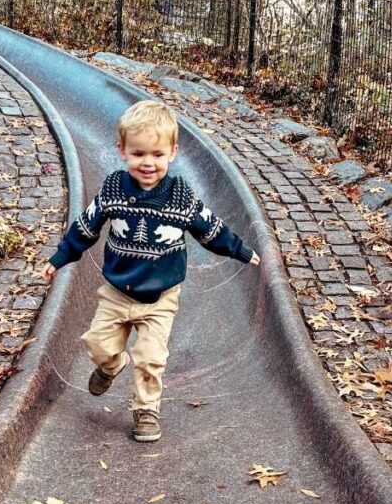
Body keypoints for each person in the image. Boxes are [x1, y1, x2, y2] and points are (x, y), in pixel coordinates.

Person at [41, 101, 260, 443]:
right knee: (98, 344)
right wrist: (59, 259)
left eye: (157, 154)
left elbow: (209, 228)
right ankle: (111, 366)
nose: (147, 163)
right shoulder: (114, 189)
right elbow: (86, 226)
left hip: (160, 298)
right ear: (122, 151)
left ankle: (146, 410)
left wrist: (241, 250)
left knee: (150, 358)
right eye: (138, 153)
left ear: (172, 152)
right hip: (116, 293)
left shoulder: (179, 196)